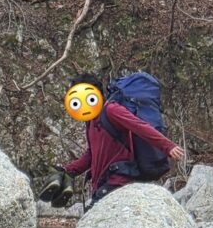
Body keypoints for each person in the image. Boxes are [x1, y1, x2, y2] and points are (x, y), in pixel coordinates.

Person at [40, 73, 184, 207]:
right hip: (102, 184)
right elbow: (91, 155)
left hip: (118, 181)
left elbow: (140, 127)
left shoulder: (111, 110)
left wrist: (168, 146)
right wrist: (68, 171)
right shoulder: (91, 120)